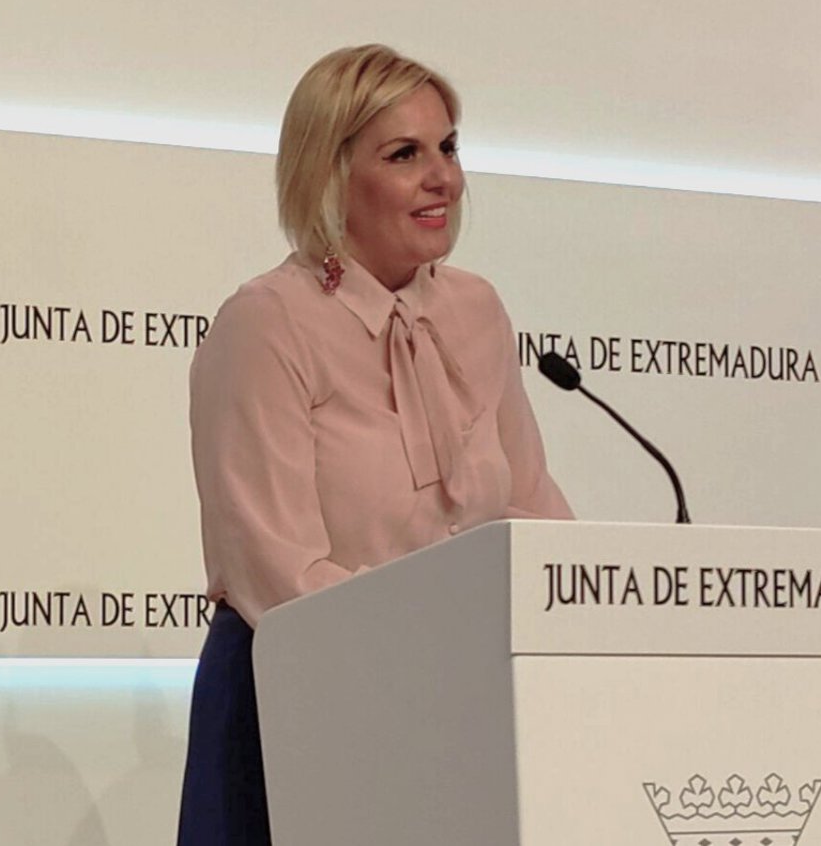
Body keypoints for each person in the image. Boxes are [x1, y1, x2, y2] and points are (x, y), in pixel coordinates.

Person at [176, 44, 572, 845]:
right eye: (404, 155)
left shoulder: (476, 309)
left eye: (448, 147)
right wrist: (430, 662)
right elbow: (277, 572)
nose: (444, 178)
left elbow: (533, 512)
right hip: (302, 708)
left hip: (463, 707)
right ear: (330, 173)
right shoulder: (267, 323)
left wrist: (573, 612)